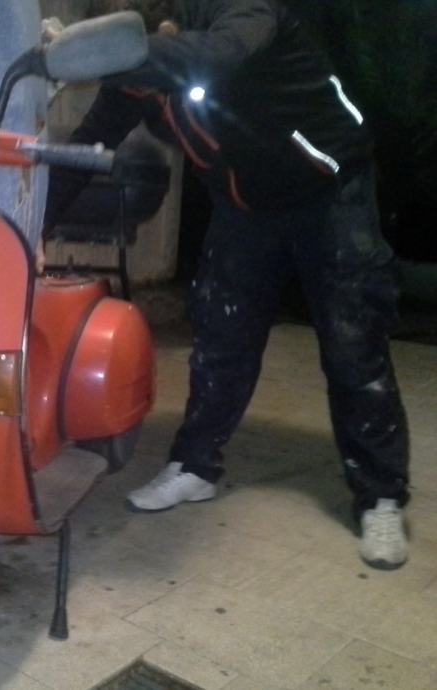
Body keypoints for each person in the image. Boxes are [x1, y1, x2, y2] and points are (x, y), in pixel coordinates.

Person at [44, 0, 411, 569]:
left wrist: (102, 54)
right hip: (245, 204)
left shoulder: (246, 14)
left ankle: (381, 495)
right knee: (220, 337)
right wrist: (29, 230)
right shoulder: (136, 78)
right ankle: (195, 467)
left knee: (352, 345)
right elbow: (85, 149)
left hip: (330, 189)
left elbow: (214, 57)